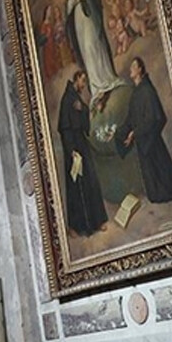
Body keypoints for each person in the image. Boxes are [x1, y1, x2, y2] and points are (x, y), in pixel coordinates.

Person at [116, 57, 172, 203]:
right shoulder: (136, 92)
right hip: (142, 140)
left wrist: (135, 133)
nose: (130, 70)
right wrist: (122, 132)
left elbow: (155, 118)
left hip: (151, 141)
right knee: (152, 187)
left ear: (140, 70)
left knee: (164, 180)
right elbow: (131, 118)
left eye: (133, 66)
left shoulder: (147, 90)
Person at [65, 0, 125, 108]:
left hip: (88, 16)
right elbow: (68, 7)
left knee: (93, 45)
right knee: (85, 51)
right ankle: (96, 88)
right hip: (78, 20)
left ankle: (106, 79)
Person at [58, 70, 108, 236]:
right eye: (83, 81)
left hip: (81, 144)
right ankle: (77, 226)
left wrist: (88, 109)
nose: (84, 84)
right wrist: (71, 150)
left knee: (91, 181)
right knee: (76, 186)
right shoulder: (68, 100)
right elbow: (65, 128)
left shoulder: (75, 98)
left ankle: (97, 221)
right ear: (76, 79)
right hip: (73, 147)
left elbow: (83, 115)